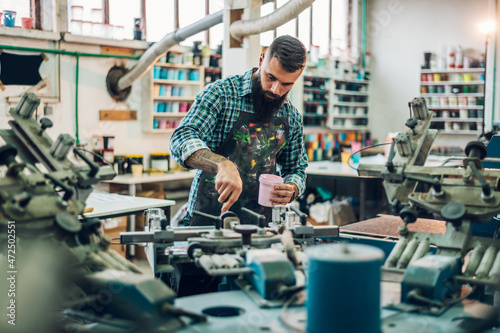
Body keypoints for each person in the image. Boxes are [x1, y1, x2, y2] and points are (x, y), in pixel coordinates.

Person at [169, 35, 308, 226]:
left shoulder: (291, 116)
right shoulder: (221, 94)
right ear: (261, 60)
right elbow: (181, 138)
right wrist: (221, 164)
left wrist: (292, 188)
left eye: (286, 84)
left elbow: (296, 168)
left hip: (261, 227)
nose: (276, 90)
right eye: (271, 77)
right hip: (207, 221)